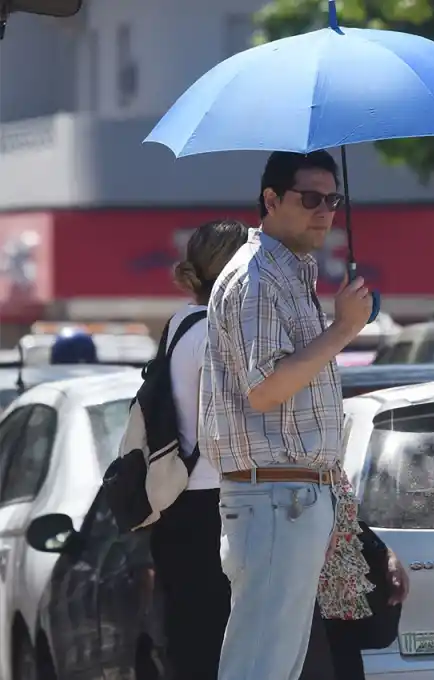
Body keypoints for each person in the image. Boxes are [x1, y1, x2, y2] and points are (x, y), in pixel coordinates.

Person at [201, 150, 375, 680]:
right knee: (261, 663)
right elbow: (266, 389)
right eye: (310, 199)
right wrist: (344, 329)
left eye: (332, 199)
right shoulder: (258, 277)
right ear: (271, 200)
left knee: (275, 660)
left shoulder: (288, 272)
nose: (324, 211)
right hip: (275, 495)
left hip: (289, 494)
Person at [150, 218, 249, 680]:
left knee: (190, 641)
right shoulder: (215, 331)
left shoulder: (179, 324)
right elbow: (223, 426)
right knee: (218, 646)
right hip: (214, 501)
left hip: (179, 501)